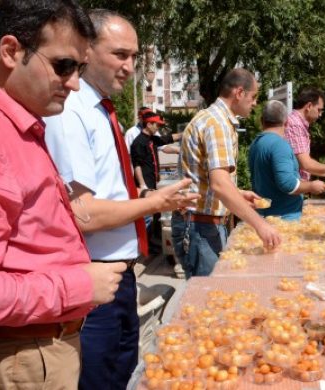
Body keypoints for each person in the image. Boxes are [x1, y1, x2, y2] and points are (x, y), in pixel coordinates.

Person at [0, 1, 127, 388]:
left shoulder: (9, 124)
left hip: (25, 355)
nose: (73, 83)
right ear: (11, 52)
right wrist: (79, 285)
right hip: (14, 362)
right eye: (63, 66)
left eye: (79, 69)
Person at [43, 10, 198, 389]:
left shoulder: (101, 111)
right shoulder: (71, 112)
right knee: (100, 379)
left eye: (134, 56)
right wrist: (154, 205)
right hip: (93, 281)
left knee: (122, 371)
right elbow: (85, 215)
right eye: (119, 55)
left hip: (120, 274)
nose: (129, 67)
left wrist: (151, 195)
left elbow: (111, 191)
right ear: (87, 50)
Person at [172, 68, 282, 279]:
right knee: (207, 300)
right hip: (200, 226)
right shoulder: (217, 123)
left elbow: (206, 179)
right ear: (239, 93)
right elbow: (219, 185)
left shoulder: (214, 119)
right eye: (253, 97)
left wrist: (238, 193)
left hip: (203, 224)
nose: (255, 103)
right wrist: (260, 225)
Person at [248, 100, 325, 220]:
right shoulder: (279, 145)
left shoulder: (256, 143)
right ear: (286, 122)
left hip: (265, 215)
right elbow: (287, 184)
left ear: (262, 121)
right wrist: (311, 186)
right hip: (283, 218)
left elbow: (269, 177)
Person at [131, 111, 180, 255]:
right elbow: (137, 165)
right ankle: (144, 248)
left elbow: (167, 140)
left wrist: (184, 134)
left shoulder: (152, 139)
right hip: (145, 184)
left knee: (154, 215)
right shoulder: (138, 142)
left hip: (153, 182)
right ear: (149, 124)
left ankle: (152, 243)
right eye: (156, 125)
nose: (158, 128)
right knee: (147, 217)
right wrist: (142, 186)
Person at [284, 87, 325, 182]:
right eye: (319, 110)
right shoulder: (295, 125)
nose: (320, 115)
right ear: (309, 106)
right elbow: (306, 164)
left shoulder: (297, 123)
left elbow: (304, 165)